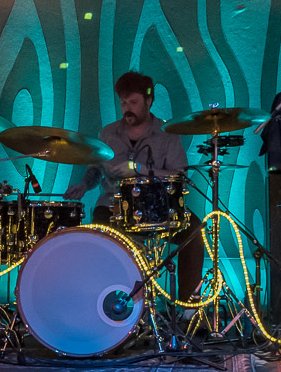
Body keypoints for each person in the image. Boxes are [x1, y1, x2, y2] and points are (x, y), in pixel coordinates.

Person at [65, 71, 203, 301]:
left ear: (149, 101)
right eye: (123, 102)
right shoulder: (108, 133)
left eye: (134, 102)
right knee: (106, 238)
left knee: (194, 231)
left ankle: (189, 308)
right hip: (113, 206)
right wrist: (83, 185)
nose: (127, 108)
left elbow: (180, 174)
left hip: (159, 207)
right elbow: (97, 168)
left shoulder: (167, 134)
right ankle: (117, 304)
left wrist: (139, 168)